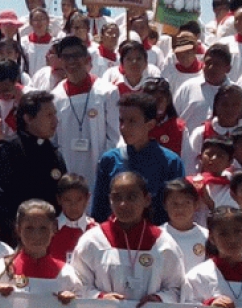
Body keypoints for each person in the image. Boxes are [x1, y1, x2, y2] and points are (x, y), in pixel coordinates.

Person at [73, 171, 185, 303]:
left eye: (132, 197)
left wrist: (159, 299)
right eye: (117, 197)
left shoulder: (163, 244)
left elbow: (177, 288)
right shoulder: (92, 241)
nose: (123, 204)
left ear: (147, 200)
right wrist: (100, 297)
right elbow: (77, 285)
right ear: (110, 200)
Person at [0, 90, 66, 246]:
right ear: (28, 118)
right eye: (49, 115)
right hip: (12, 242)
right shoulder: (7, 152)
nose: (55, 121)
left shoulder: (54, 155)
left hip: (48, 242)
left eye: (55, 115)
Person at [92, 92, 184, 226]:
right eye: (121, 121)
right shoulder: (109, 160)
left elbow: (175, 210)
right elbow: (100, 209)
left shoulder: (170, 162)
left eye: (132, 121)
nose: (124, 128)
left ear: (150, 125)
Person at [52, 35, 119, 195]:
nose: (72, 61)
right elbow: (53, 139)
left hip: (99, 170)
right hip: (68, 171)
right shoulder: (55, 96)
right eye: (66, 57)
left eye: (76, 56)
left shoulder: (107, 92)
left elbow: (115, 137)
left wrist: (105, 166)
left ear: (87, 58)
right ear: (60, 61)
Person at [0, 199, 82, 301]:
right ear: (18, 229)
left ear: (54, 229)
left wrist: (72, 303)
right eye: (29, 228)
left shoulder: (67, 275)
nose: (36, 236)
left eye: (43, 228)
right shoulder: (0, 270)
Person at [181, 206, 242, 308]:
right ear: (212, 238)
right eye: (223, 234)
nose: (232, 239)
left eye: (238, 232)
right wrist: (209, 305)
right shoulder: (197, 277)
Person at [182, 84, 242, 174]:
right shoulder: (201, 132)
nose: (230, 109)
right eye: (224, 104)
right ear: (215, 105)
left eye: (235, 104)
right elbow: (190, 164)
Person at [173, 43, 233, 134]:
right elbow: (173, 119)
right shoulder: (188, 88)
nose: (211, 67)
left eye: (217, 64)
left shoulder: (235, 93)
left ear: (228, 68)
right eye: (208, 63)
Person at [162, 178, 209, 272]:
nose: (180, 209)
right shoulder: (158, 236)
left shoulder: (207, 236)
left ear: (196, 205)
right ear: (165, 206)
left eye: (186, 203)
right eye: (174, 204)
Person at [190, 137, 239, 224]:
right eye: (209, 154)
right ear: (201, 157)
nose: (213, 158)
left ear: (230, 162)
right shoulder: (191, 183)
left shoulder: (233, 186)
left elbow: (230, 216)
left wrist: (207, 200)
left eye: (220, 156)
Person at [48, 173, 95, 264]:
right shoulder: (49, 229)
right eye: (67, 200)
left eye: (79, 200)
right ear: (59, 199)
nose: (73, 206)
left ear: (87, 198)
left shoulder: (95, 230)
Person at [143, 78, 186, 157]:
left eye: (160, 100)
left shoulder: (180, 128)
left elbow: (186, 159)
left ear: (168, 100)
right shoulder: (138, 126)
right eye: (151, 100)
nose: (155, 104)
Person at [160, 31, 203, 95]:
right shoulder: (169, 72)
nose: (183, 56)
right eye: (179, 53)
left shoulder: (204, 73)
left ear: (194, 49)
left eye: (187, 52)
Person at [23, 8, 53, 78]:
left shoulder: (54, 44)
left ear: (48, 21)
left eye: (42, 19)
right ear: (30, 22)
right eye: (36, 19)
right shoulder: (24, 43)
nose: (39, 22)